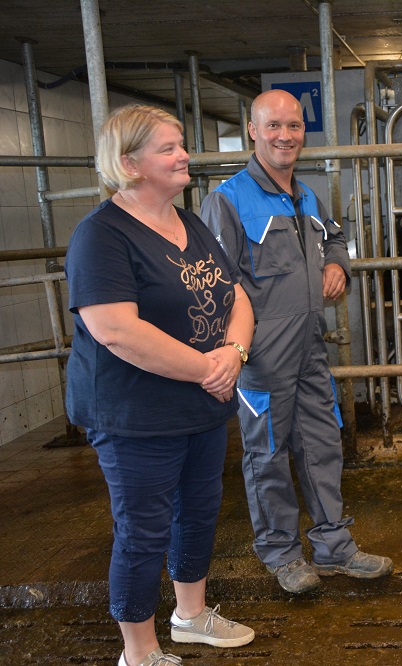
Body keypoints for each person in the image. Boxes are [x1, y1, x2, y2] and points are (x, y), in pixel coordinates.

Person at [65, 104, 256, 666]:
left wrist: (234, 353)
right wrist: (209, 370)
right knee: (143, 531)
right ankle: (139, 652)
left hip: (201, 404)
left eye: (181, 145)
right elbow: (116, 330)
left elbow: (236, 296)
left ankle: (190, 617)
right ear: (130, 164)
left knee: (198, 514)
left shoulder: (188, 223)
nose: (183, 156)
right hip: (135, 414)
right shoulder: (101, 235)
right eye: (168, 148)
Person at [200, 89, 393, 594]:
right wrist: (239, 349)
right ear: (253, 131)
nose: (285, 136)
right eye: (273, 126)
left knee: (322, 446)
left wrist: (337, 264)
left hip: (310, 348)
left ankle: (334, 547)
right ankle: (281, 554)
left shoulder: (306, 196)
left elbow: (335, 237)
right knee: (266, 455)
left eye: (293, 126)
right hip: (261, 356)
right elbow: (217, 283)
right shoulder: (227, 200)